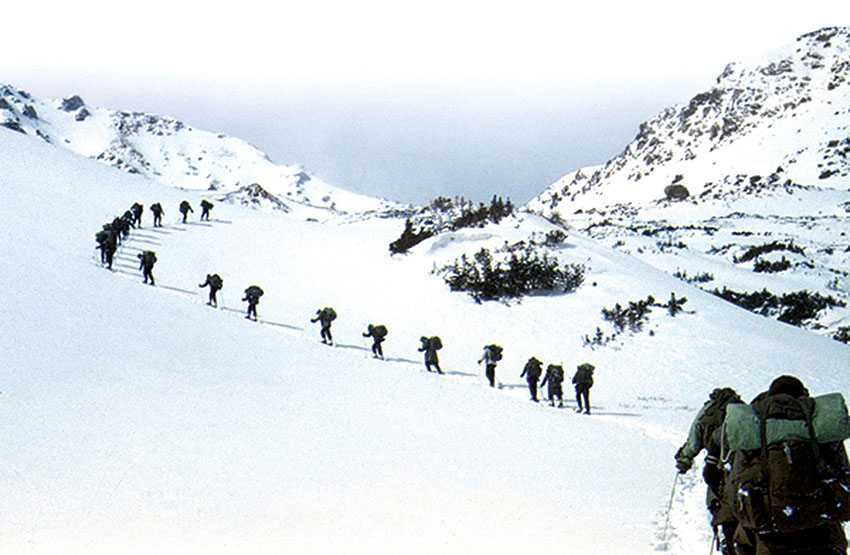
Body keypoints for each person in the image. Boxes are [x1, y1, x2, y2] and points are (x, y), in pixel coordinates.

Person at [725, 376, 850, 555]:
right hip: (824, 536)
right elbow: (843, 474)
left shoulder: (752, 431)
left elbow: (735, 488)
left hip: (771, 538)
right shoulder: (821, 428)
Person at [674, 387, 744, 555]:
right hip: (740, 468)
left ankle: (725, 541)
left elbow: (695, 435)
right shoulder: (741, 410)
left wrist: (685, 458)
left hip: (715, 468)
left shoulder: (707, 410)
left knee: (720, 508)